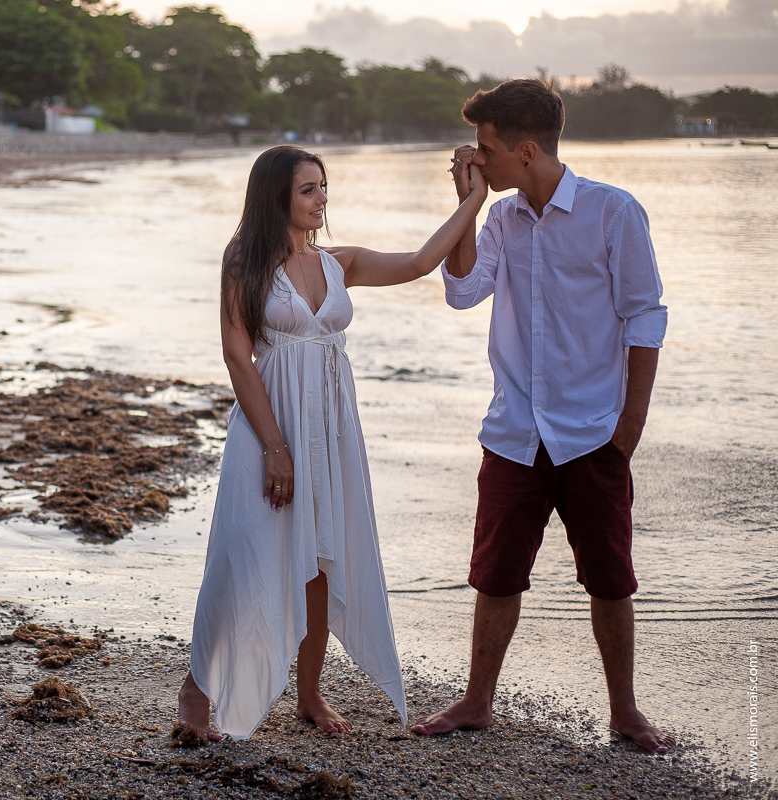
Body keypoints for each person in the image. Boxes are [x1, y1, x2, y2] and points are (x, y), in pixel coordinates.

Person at [175, 144, 489, 742]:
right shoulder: (244, 259)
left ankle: (310, 693)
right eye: (308, 190)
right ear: (277, 197)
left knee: (321, 559)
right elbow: (237, 355)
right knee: (241, 555)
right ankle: (197, 690)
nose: (322, 200)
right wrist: (274, 447)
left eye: (324, 187)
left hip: (330, 430)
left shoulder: (339, 262)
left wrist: (472, 198)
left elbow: (422, 262)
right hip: (268, 427)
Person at [410, 78, 676, 754]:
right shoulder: (499, 218)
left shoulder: (614, 213)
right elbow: (465, 292)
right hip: (514, 433)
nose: (476, 157)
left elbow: (645, 317)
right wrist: (469, 201)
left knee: (610, 579)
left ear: (525, 150)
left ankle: (625, 712)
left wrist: (629, 428)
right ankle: (477, 702)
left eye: (485, 150)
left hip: (594, 434)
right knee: (496, 573)